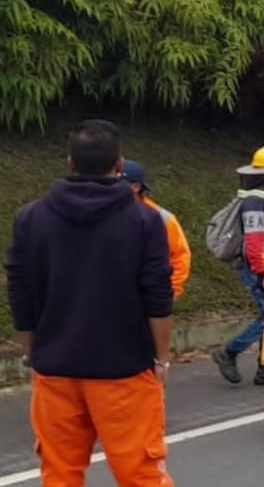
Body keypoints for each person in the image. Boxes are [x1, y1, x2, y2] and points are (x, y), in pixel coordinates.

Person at [5, 119, 174, 486]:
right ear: (119, 166)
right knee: (140, 473)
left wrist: (34, 352)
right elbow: (158, 296)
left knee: (60, 472)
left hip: (55, 370)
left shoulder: (30, 218)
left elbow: (20, 292)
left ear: (69, 163)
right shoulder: (143, 220)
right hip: (124, 369)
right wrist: (161, 357)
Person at [210, 145, 264, 387]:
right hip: (256, 267)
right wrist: (262, 272)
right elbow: (254, 240)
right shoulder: (255, 201)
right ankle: (229, 352)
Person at [122, 159, 192, 299]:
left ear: (135, 187)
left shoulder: (163, 219)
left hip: (147, 298)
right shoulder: (105, 214)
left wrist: (170, 291)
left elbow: (180, 257)